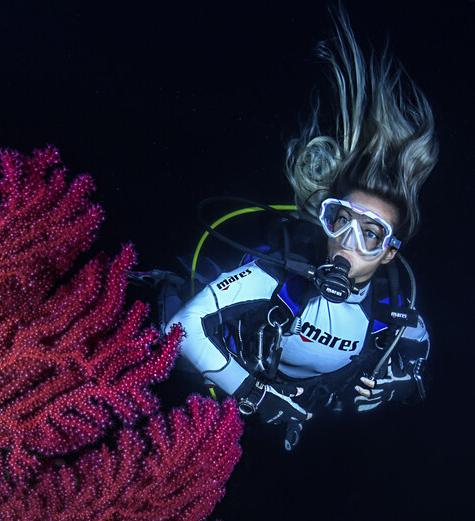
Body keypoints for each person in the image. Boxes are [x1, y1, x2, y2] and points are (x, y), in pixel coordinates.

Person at [156, 9, 438, 450]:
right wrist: (253, 393)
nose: (348, 241)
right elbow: (185, 328)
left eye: (371, 234)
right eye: (341, 219)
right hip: (224, 399)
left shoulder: (395, 313)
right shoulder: (278, 274)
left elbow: (419, 353)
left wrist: (402, 387)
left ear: (389, 252)